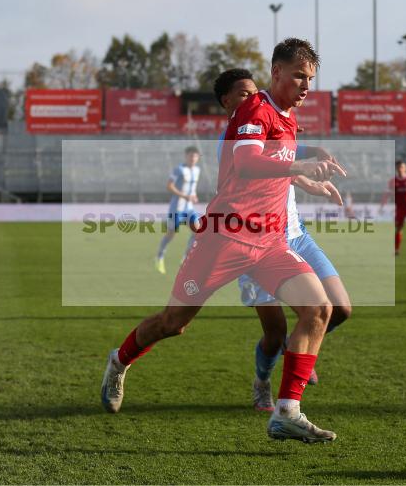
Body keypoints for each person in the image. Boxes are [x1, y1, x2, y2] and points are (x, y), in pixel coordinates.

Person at [100, 38, 346, 443]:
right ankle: (118, 362)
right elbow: (248, 163)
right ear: (277, 72)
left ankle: (287, 411)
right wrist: (301, 164)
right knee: (172, 323)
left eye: (311, 79)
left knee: (319, 310)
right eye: (299, 76)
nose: (306, 85)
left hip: (268, 241)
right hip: (224, 237)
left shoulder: (285, 118)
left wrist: (306, 180)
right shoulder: (255, 108)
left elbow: (274, 163)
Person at [212, 68, 352, 412]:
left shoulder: (270, 122)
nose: (253, 98)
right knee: (273, 335)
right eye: (244, 94)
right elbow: (266, 164)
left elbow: (284, 156)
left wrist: (312, 169)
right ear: (226, 102)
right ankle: (262, 382)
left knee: (340, 309)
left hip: (295, 234)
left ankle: (297, 348)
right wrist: (306, 170)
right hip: (254, 242)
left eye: (254, 92)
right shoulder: (232, 141)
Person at [155, 146, 201, 274]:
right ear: (186, 156)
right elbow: (169, 186)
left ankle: (185, 259)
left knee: (198, 232)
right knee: (171, 234)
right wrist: (185, 196)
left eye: (195, 156)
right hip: (177, 209)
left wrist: (194, 195)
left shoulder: (197, 170)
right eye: (191, 156)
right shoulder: (179, 170)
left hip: (189, 209)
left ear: (198, 158)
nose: (193, 158)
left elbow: (192, 187)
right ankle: (159, 256)